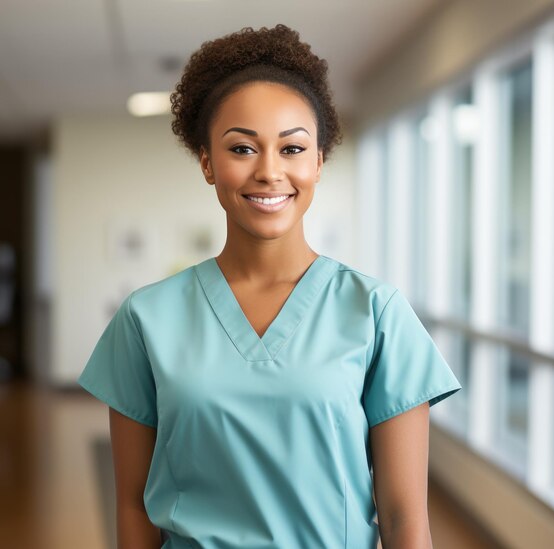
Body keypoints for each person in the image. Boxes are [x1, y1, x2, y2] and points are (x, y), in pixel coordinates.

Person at [77, 24, 461, 549]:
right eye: (242, 148)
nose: (269, 171)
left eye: (292, 148)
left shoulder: (376, 313)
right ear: (208, 163)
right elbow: (130, 506)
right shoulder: (146, 319)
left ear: (319, 162)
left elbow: (405, 521)